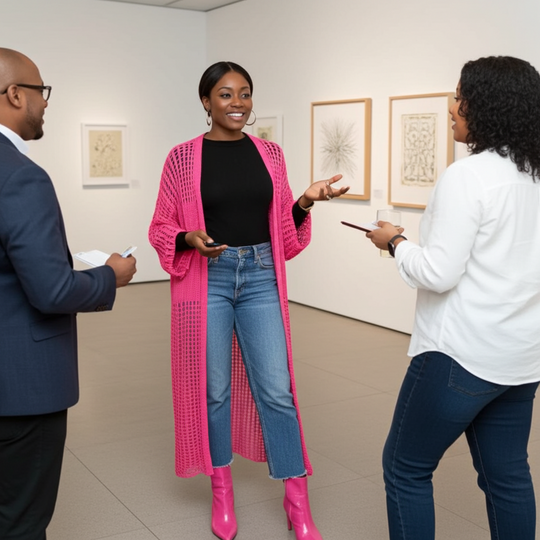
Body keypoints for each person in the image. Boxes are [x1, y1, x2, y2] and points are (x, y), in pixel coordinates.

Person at [148, 60, 348, 540]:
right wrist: (187, 237)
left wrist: (305, 200)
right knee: (213, 391)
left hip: (260, 276)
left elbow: (283, 227)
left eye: (244, 94)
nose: (237, 104)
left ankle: (297, 503)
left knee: (277, 392)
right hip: (209, 279)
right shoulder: (181, 158)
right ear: (205, 102)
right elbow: (160, 226)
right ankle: (223, 494)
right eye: (225, 94)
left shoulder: (271, 154)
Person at [367, 55, 540, 540]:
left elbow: (439, 273)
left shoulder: (468, 176)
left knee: (405, 469)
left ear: (485, 105)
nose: (452, 104)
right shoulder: (534, 176)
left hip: (458, 356)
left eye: (460, 95)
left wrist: (395, 244)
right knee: (508, 477)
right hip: (522, 359)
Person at [0, 48, 137, 540]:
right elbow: (52, 290)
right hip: (18, 391)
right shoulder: (20, 176)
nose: (45, 103)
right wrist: (111, 276)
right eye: (42, 91)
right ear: (16, 95)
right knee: (20, 521)